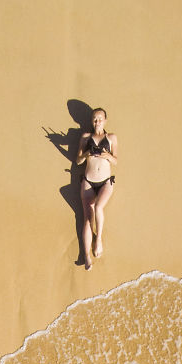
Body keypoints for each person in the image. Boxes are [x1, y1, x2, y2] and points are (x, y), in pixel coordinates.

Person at [76, 108, 118, 269]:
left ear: (105, 120)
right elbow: (78, 161)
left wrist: (107, 155)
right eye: (94, 119)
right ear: (91, 121)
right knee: (88, 218)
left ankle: (98, 239)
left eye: (100, 119)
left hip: (105, 181)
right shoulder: (86, 137)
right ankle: (86, 256)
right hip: (88, 181)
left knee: (98, 207)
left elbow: (115, 161)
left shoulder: (111, 137)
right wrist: (87, 153)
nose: (97, 122)